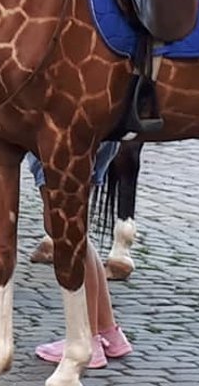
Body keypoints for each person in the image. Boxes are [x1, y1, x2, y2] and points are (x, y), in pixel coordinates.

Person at [28, 144, 133, 369]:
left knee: (63, 229)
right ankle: (107, 330)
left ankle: (87, 338)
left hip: (61, 140)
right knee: (78, 232)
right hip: (102, 137)